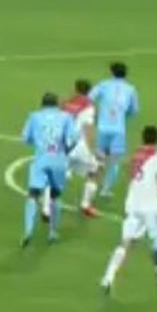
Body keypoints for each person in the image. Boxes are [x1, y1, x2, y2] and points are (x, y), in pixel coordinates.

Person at [100, 126, 157, 294]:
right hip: (152, 205)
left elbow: (131, 175)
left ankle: (108, 277)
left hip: (133, 204)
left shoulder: (134, 156)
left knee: (125, 242)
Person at [19, 92, 77, 246]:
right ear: (56, 104)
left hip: (41, 159)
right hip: (58, 160)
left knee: (33, 194)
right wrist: (65, 151)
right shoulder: (66, 117)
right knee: (55, 196)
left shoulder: (34, 116)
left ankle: (28, 230)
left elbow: (25, 138)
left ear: (42, 104)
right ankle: (52, 232)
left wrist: (37, 141)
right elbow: (73, 139)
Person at [91, 61, 139, 197]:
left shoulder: (103, 85)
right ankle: (105, 189)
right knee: (114, 161)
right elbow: (134, 111)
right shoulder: (131, 89)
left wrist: (95, 113)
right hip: (118, 130)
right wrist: (123, 115)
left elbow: (89, 98)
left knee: (98, 159)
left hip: (102, 128)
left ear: (112, 72)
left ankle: (92, 186)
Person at [60, 79, 102, 217]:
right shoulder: (88, 106)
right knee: (95, 171)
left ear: (75, 88)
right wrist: (93, 151)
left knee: (57, 175)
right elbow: (88, 128)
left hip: (62, 146)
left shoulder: (66, 103)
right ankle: (86, 205)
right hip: (80, 146)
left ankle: (47, 206)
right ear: (89, 91)